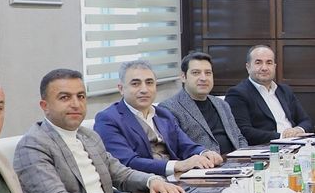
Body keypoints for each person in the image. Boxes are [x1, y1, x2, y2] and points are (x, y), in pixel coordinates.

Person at [14, 68, 185, 193]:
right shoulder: (33, 145)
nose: (76, 104)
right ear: (45, 106)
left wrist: (151, 181)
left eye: (81, 96)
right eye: (65, 97)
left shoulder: (88, 136)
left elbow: (120, 174)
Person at [94, 60, 223, 177]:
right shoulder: (108, 119)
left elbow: (186, 145)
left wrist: (203, 153)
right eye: (135, 84)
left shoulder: (163, 114)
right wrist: (177, 165)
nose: (144, 90)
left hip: (177, 179)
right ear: (121, 89)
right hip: (143, 185)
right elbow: (127, 162)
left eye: (149, 83)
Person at [160, 52, 249, 154]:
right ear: (183, 77)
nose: (203, 78)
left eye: (208, 73)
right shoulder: (170, 108)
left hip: (236, 160)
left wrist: (245, 155)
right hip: (204, 162)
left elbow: (239, 137)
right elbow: (177, 148)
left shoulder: (222, 104)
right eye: (196, 73)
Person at [226, 44, 313, 145]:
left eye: (269, 63)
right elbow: (243, 132)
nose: (264, 68)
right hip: (267, 148)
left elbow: (306, 121)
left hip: (296, 143)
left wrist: (298, 130)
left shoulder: (285, 90)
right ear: (248, 67)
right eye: (258, 62)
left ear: (274, 67)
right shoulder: (237, 94)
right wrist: (282, 137)